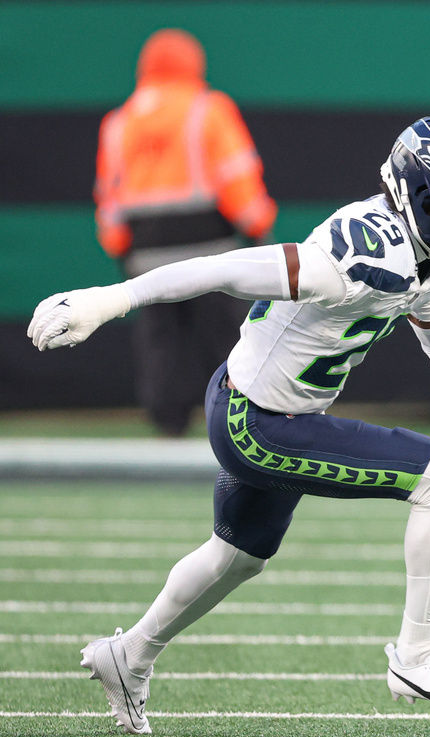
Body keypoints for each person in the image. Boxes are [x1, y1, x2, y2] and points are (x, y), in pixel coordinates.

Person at [28, 115, 430, 733]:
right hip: (258, 421)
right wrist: (109, 299)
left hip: (263, 406)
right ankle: (417, 658)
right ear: (425, 202)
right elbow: (224, 269)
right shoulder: (360, 252)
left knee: (237, 557)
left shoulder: (421, 255)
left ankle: (130, 655)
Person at [95, 29, 278, 437]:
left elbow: (108, 195)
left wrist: (118, 246)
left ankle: (168, 424)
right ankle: (240, 419)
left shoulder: (119, 122)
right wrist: (257, 226)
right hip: (207, 248)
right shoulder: (207, 109)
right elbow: (236, 174)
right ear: (193, 63)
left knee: (160, 340)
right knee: (223, 336)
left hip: (145, 252)